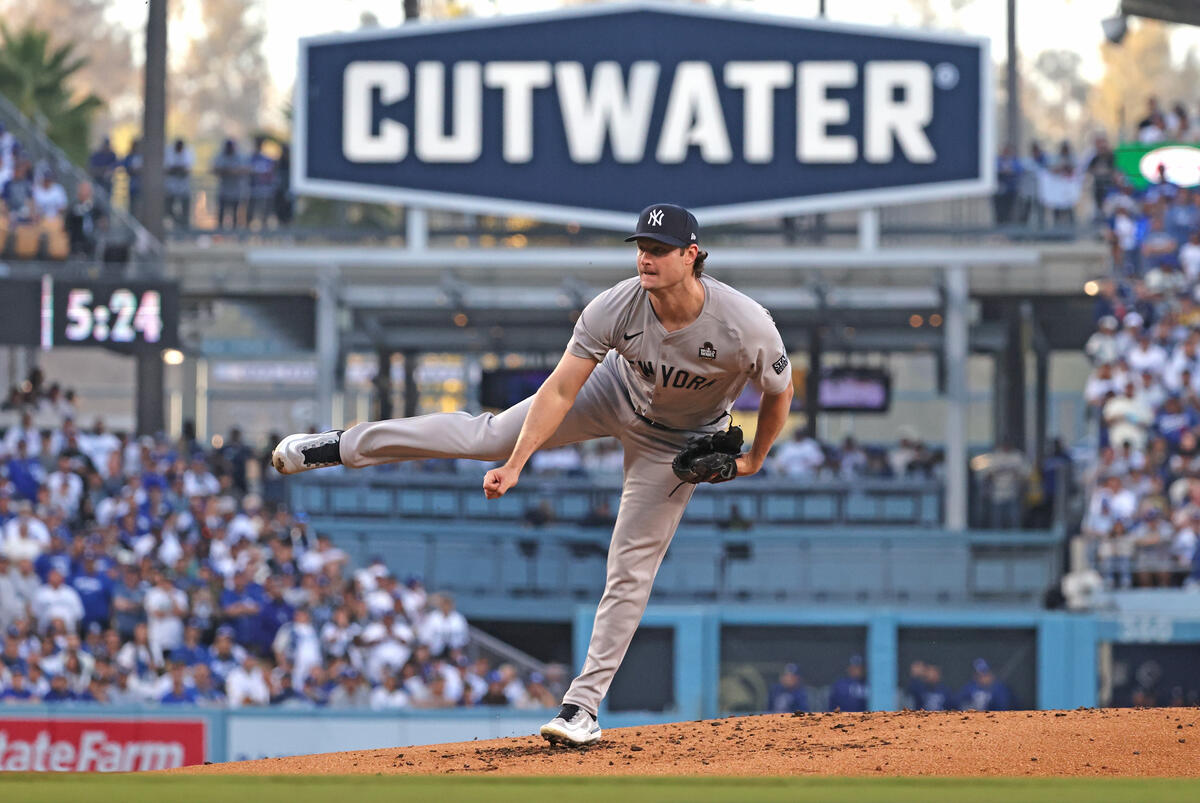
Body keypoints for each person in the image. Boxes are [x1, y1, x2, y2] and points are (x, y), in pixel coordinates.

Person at [271, 203, 794, 746]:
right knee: (487, 436)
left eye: (660, 250)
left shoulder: (744, 323)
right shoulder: (615, 306)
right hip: (611, 392)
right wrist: (515, 463)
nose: (646, 257)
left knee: (631, 565)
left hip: (677, 441)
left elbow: (780, 393)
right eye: (641, 246)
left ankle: (580, 709)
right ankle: (342, 445)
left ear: (692, 256)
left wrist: (753, 459)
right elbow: (562, 389)